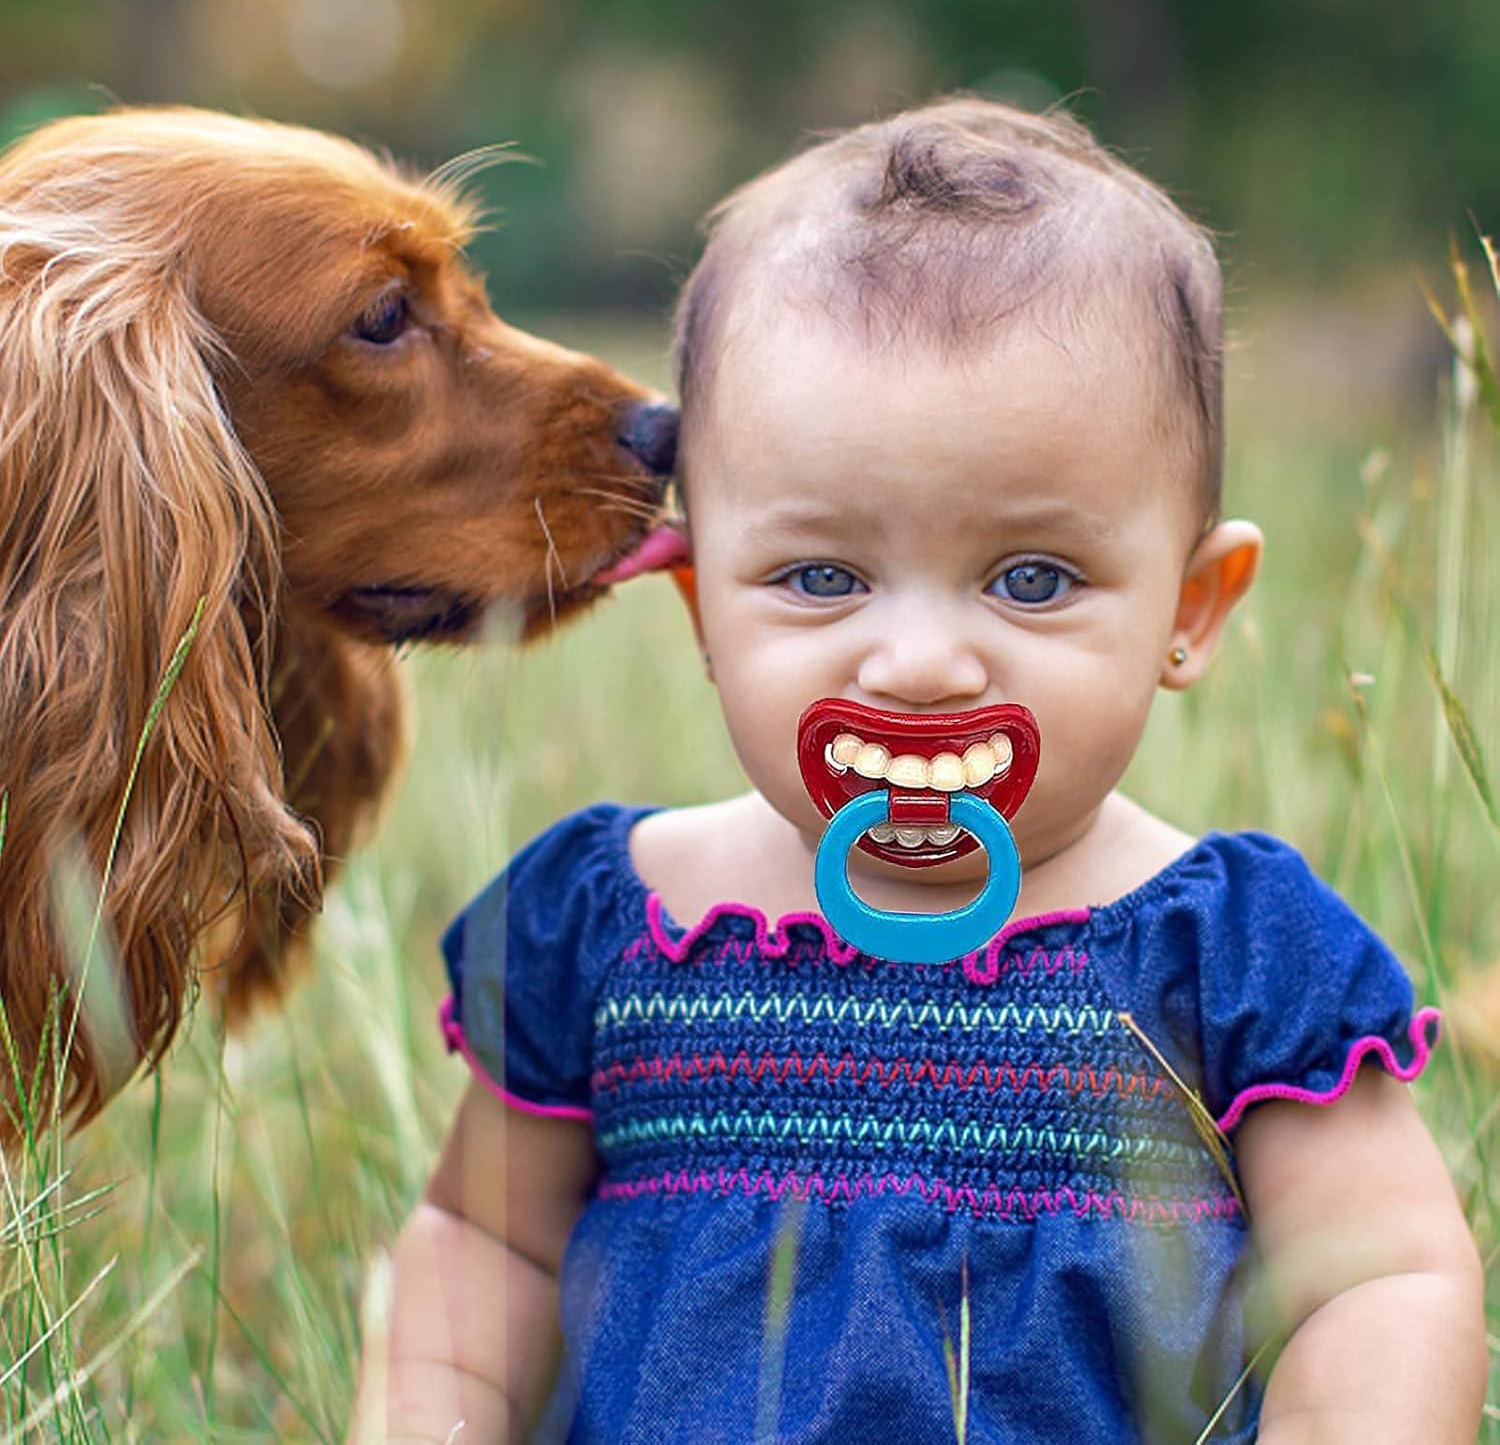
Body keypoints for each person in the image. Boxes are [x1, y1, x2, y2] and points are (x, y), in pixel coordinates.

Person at [349, 98, 1485, 1443]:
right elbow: (486, 1248)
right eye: (822, 577)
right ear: (702, 607)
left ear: (1190, 608)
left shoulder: (1228, 953)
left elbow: (1382, 1281)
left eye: (1032, 578)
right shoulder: (606, 928)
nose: (922, 664)